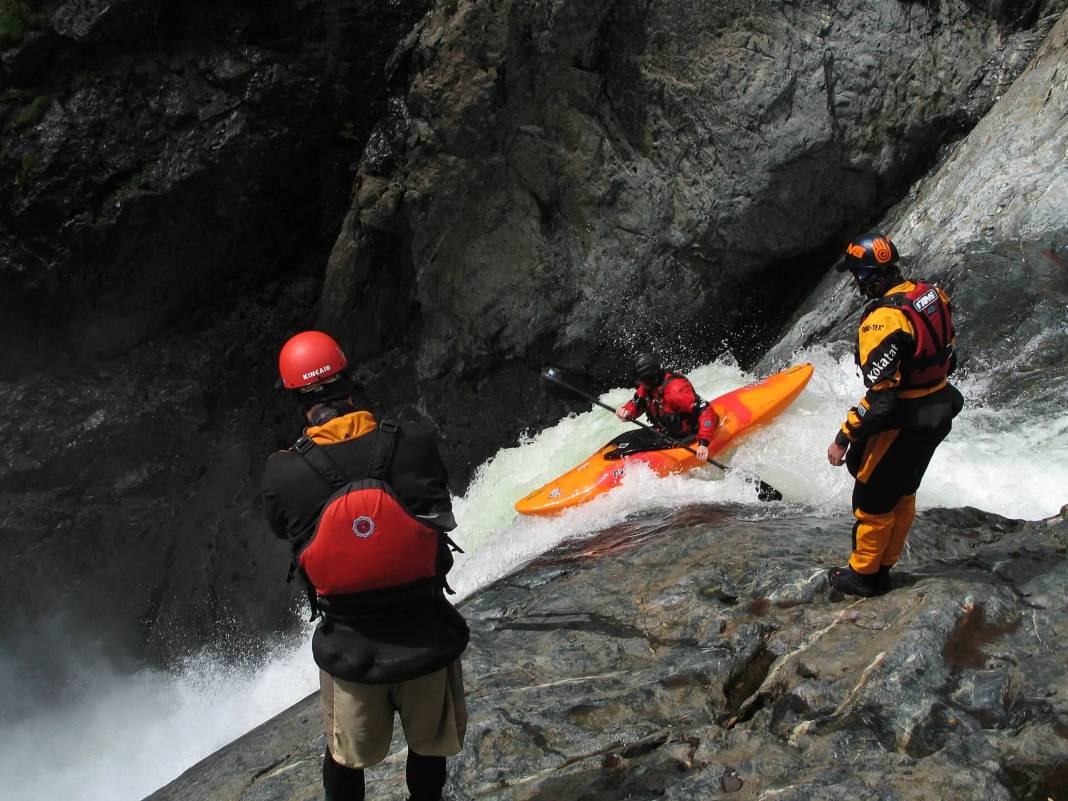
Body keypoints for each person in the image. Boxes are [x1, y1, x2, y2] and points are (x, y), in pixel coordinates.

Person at [261, 330, 468, 801]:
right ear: (349, 381)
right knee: (429, 747)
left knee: (343, 756)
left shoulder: (282, 472)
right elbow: (437, 503)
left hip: (349, 648)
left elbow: (284, 529)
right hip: (426, 633)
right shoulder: (413, 441)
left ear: (298, 399)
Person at [826, 233, 964, 597]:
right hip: (941, 405)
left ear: (870, 277)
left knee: (871, 499)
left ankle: (863, 575)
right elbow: (950, 353)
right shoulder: (931, 294)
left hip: (908, 417)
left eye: (857, 276)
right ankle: (884, 567)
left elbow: (882, 400)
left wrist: (843, 437)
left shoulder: (883, 321)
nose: (856, 284)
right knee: (903, 491)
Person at [615, 352, 720, 461]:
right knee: (627, 438)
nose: (638, 383)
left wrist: (703, 443)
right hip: (666, 432)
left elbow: (706, 410)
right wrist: (627, 411)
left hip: (687, 435)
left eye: (640, 380)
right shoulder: (648, 387)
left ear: (649, 377)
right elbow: (637, 402)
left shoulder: (676, 390)